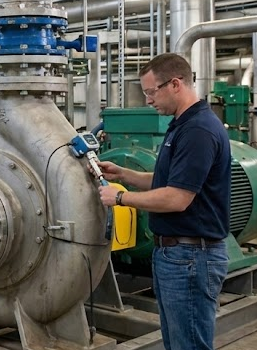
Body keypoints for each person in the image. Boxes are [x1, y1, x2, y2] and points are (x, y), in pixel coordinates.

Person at [96, 53, 230, 350]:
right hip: (176, 256)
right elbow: (167, 181)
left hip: (191, 257)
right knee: (177, 342)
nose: (147, 100)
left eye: (151, 91)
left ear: (175, 84)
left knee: (188, 344)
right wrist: (125, 174)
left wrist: (119, 197)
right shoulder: (182, 125)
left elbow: (177, 198)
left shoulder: (198, 130)